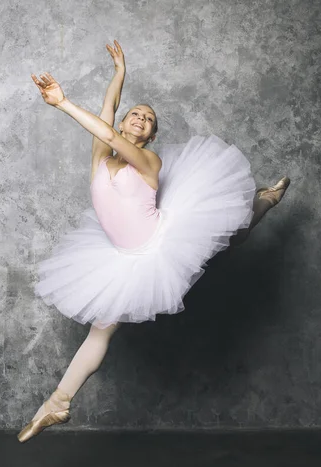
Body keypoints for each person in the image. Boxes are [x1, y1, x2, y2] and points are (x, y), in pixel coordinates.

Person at [18, 40, 290, 443]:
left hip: (160, 242)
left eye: (148, 119)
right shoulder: (100, 158)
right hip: (120, 257)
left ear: (151, 134)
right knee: (100, 331)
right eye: (136, 114)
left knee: (235, 233)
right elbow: (106, 116)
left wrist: (63, 103)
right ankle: (57, 404)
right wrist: (118, 75)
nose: (141, 119)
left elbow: (106, 127)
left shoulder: (149, 162)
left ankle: (264, 201)